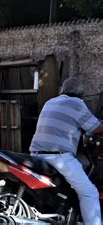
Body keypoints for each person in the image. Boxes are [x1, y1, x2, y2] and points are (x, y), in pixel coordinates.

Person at [29, 77, 102, 225]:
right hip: (59, 157)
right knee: (89, 193)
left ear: (63, 90)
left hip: (36, 155)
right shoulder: (77, 104)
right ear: (81, 93)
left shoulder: (50, 102)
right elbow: (95, 127)